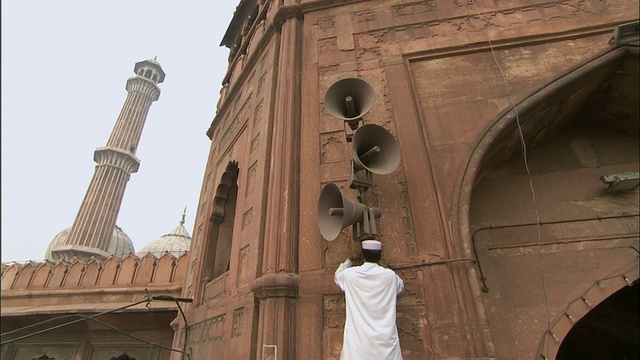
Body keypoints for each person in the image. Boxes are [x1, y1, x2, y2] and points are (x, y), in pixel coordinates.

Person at [334, 240, 404, 360]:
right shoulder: (390, 276)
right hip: (385, 341)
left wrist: (349, 261)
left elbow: (337, 276)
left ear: (363, 255)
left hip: (358, 340)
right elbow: (400, 287)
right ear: (380, 256)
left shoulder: (350, 275)